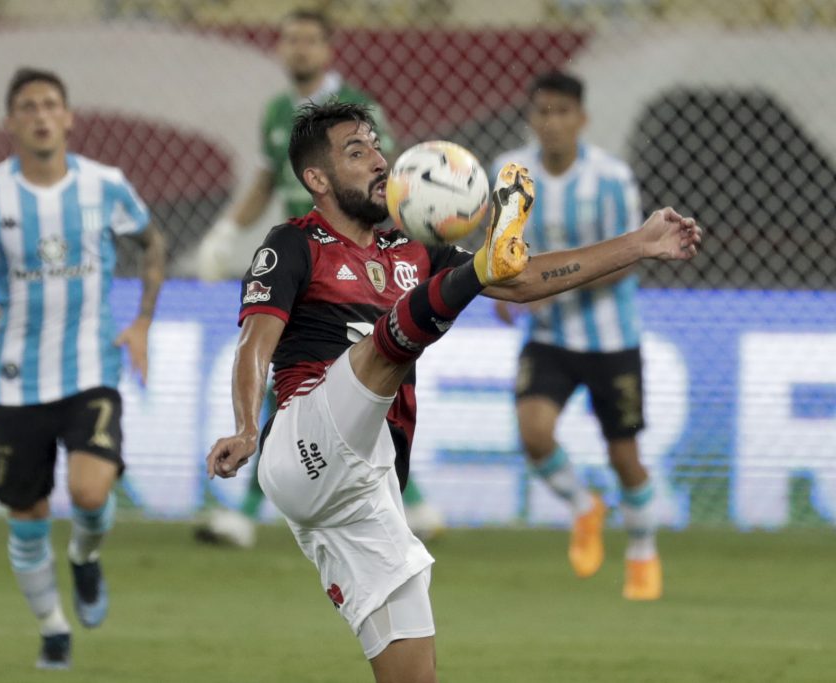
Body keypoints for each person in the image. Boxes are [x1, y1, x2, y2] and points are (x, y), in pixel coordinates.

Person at [206, 101, 700, 682]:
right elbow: (253, 344)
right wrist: (244, 426)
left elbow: (524, 282)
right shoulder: (293, 244)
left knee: (414, 676)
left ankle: (478, 265)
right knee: (390, 342)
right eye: (356, 151)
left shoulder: (413, 248)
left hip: (367, 491)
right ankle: (474, 268)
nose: (378, 159)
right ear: (316, 179)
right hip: (305, 442)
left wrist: (638, 245)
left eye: (376, 145)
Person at [0, 67, 166, 669]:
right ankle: (52, 625)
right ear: (11, 122)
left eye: (50, 105)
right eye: (28, 106)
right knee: (28, 516)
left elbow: (152, 244)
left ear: (68, 118)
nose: (40, 115)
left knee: (90, 492)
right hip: (16, 380)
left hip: (91, 368)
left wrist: (140, 321)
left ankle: (86, 559)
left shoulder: (105, 185)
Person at [195, 8, 444, 547]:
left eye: (309, 40)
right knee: (299, 384)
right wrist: (224, 232)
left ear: (329, 49)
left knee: (359, 382)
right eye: (289, 39)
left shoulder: (357, 108)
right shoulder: (276, 111)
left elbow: (388, 182)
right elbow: (264, 179)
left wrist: (403, 249)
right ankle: (402, 502)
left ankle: (404, 497)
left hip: (354, 255)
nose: (298, 49)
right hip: (305, 252)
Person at [492, 71, 661, 600]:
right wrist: (501, 290)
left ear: (582, 119)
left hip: (612, 338)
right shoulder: (510, 173)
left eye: (563, 112)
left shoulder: (611, 178)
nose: (552, 122)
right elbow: (504, 247)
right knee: (534, 433)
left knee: (624, 456)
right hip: (549, 338)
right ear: (531, 118)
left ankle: (641, 550)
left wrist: (550, 292)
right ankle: (584, 505)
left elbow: (630, 255)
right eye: (542, 111)